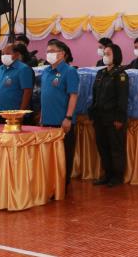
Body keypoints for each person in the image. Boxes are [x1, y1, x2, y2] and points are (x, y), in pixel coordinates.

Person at [40, 40, 80, 184]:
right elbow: (45, 95)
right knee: (49, 157)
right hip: (47, 121)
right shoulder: (46, 71)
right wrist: (42, 116)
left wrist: (68, 117)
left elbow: (73, 95)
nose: (48, 54)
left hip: (62, 122)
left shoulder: (69, 71)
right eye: (47, 51)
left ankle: (63, 185)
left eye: (52, 51)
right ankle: (51, 184)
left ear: (62, 54)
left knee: (64, 156)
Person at [89, 43, 129, 186]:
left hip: (113, 118)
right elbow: (95, 94)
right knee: (103, 146)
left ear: (115, 55)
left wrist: (119, 118)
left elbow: (122, 98)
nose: (105, 56)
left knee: (115, 148)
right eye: (104, 54)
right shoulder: (101, 73)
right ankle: (107, 174)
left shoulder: (121, 75)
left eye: (108, 54)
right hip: (99, 117)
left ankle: (117, 176)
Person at [0, 43, 35, 120]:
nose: (4, 56)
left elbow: (28, 91)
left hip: (14, 115)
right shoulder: (0, 69)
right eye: (3, 54)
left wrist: (21, 113)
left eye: (7, 53)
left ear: (17, 55)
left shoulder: (23, 69)